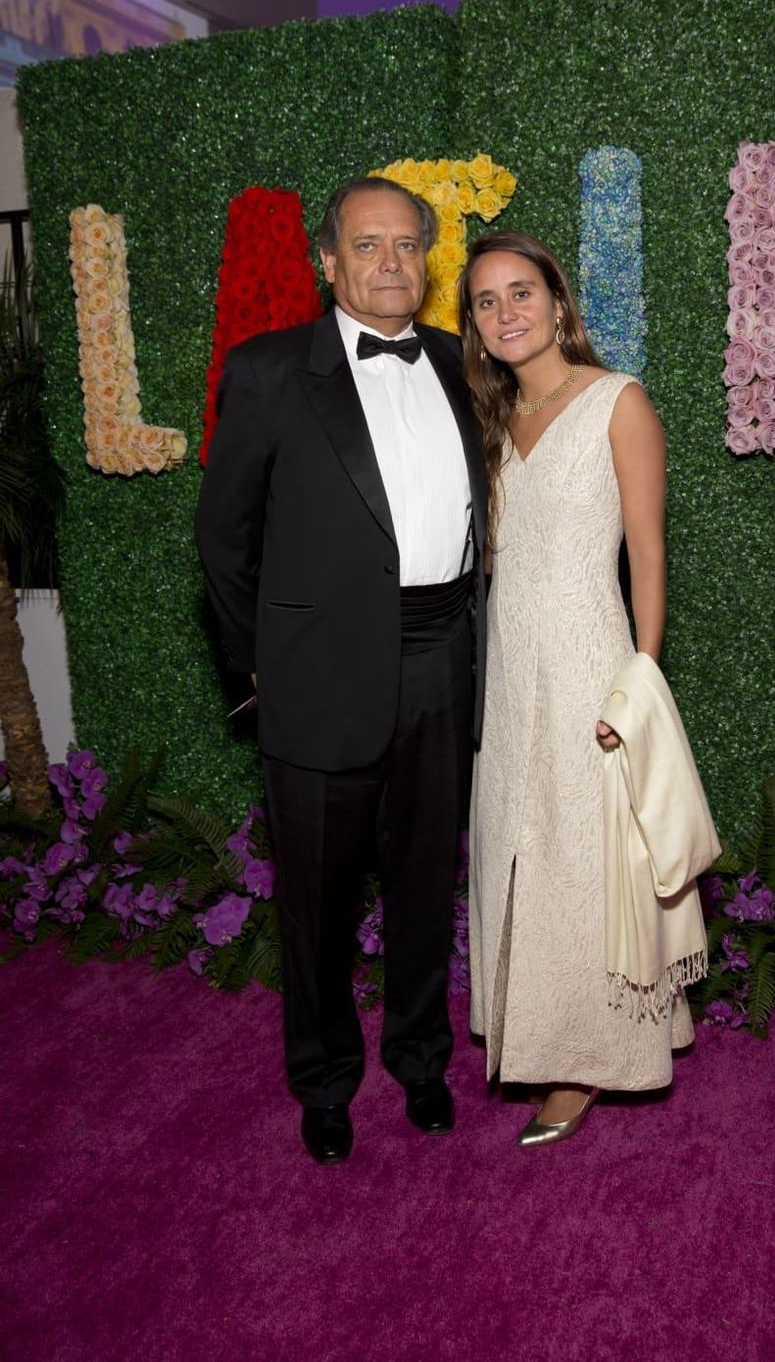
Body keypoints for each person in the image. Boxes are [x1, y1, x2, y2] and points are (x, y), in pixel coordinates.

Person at [195, 177, 488, 1165]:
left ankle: (418, 1060)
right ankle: (323, 1082)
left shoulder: (459, 362)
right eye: (368, 246)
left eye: (407, 246)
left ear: (428, 258)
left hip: (442, 655)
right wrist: (259, 672)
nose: (390, 264)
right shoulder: (270, 372)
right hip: (318, 675)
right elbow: (222, 544)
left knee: (421, 882)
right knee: (315, 898)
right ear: (328, 261)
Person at [461, 230, 701, 1148]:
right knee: (516, 848)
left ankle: (592, 1059)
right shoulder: (489, 422)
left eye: (521, 292)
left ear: (558, 304)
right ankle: (535, 1029)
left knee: (585, 861)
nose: (507, 311)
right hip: (508, 671)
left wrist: (638, 682)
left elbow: (647, 550)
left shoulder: (618, 401)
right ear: (477, 328)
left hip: (588, 663)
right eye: (486, 301)